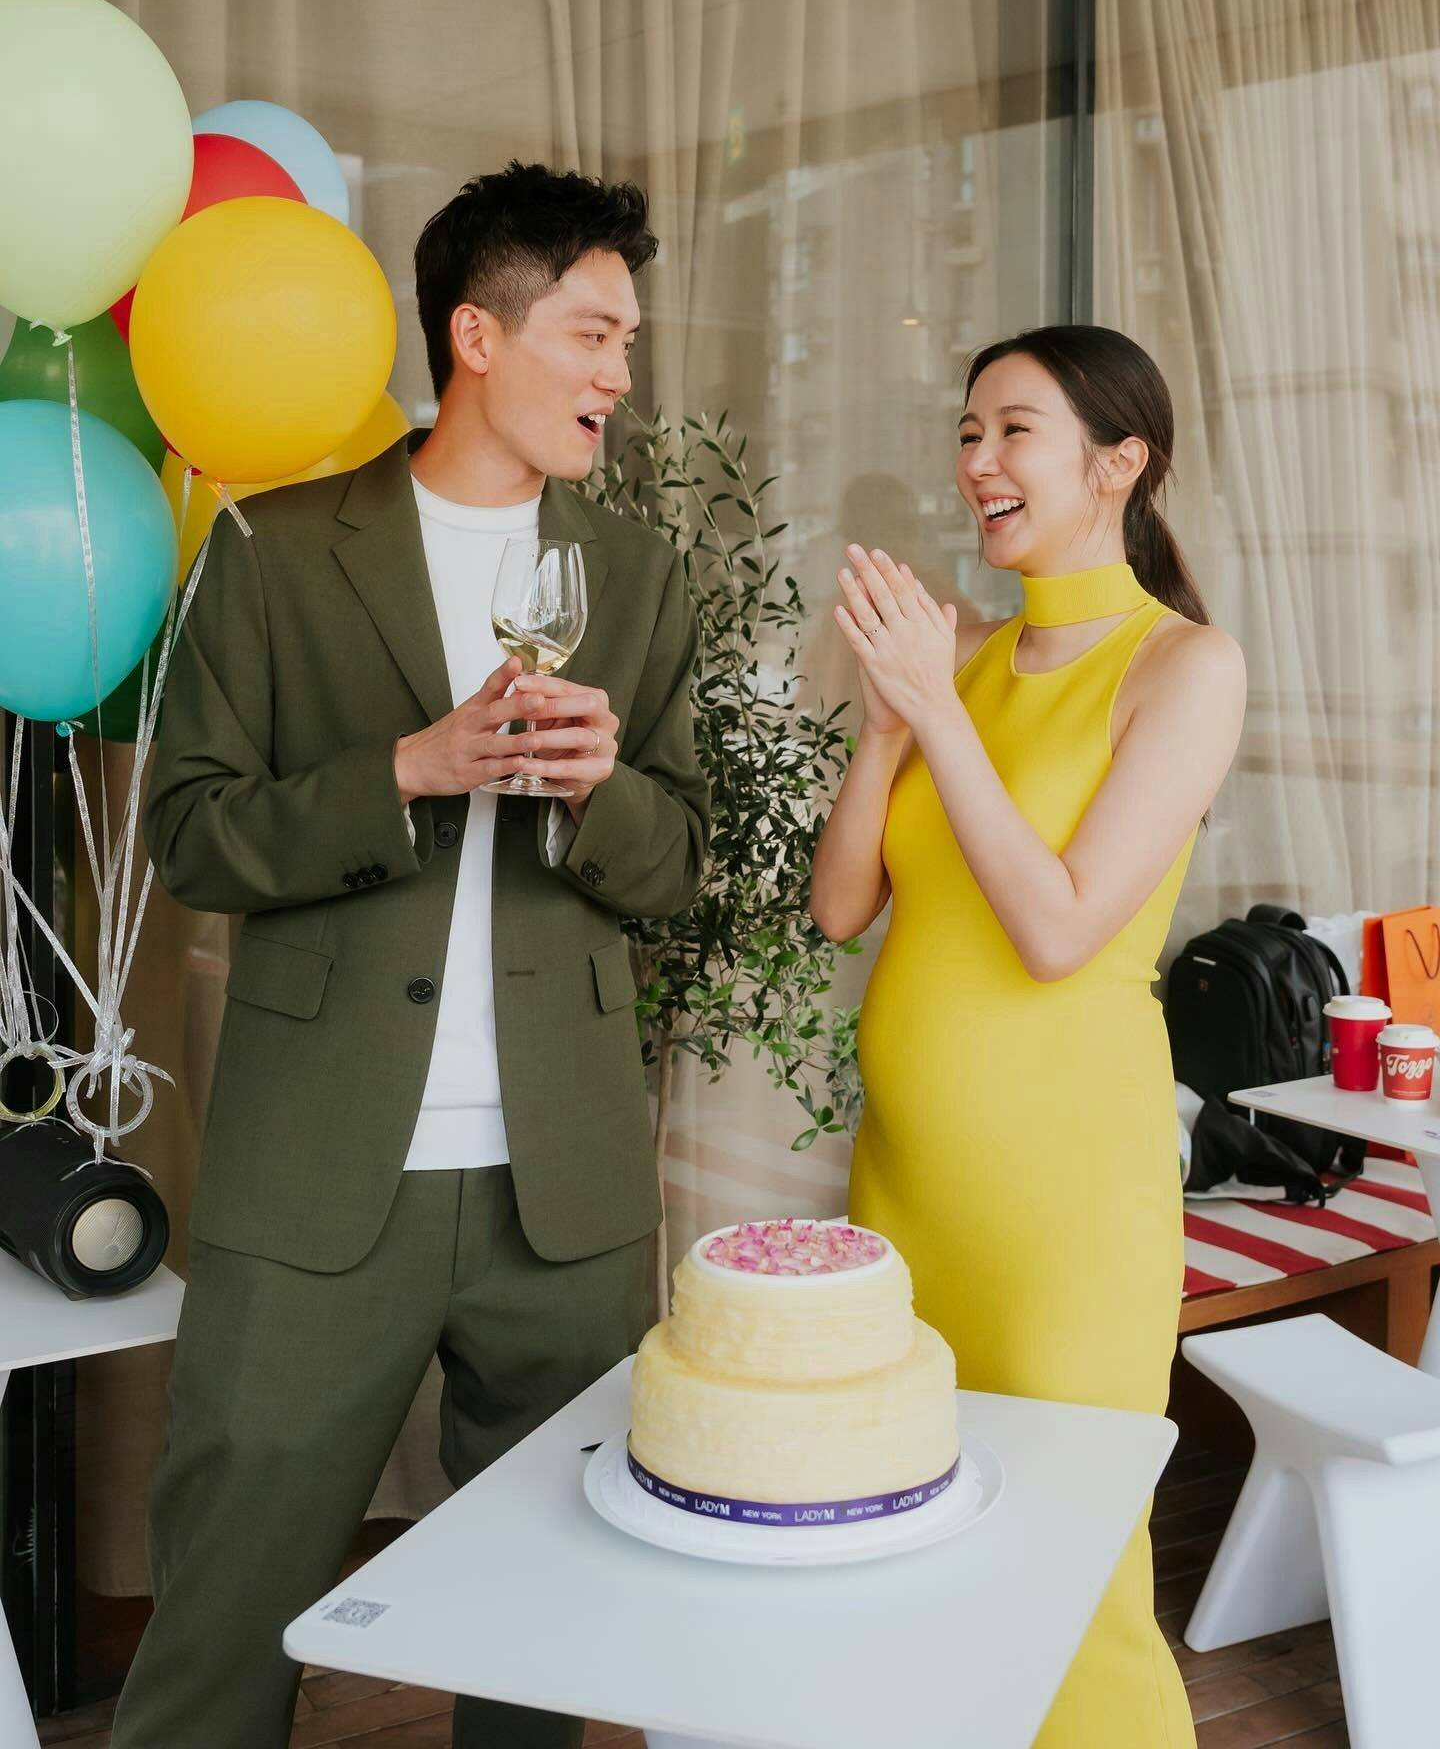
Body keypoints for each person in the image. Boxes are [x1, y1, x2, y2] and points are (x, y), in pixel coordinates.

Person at [114, 162, 709, 1749]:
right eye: (593, 334)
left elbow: (680, 863)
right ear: (477, 335)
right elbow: (190, 836)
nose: (621, 373)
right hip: (317, 1177)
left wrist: (598, 796)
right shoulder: (271, 548)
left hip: (564, 1189)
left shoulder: (639, 576)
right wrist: (405, 772)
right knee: (226, 1615)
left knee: (547, 1631)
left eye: (629, 340)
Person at [810, 323, 1245, 1747]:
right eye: (968, 431)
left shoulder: (1184, 666)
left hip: (1066, 1203)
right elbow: (840, 907)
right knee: (914, 1542)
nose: (978, 461)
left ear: (1120, 463)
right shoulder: (965, 661)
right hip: (904, 1186)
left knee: (1072, 1573)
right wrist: (890, 726)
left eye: (1015, 430)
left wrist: (935, 709)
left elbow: (1058, 931)